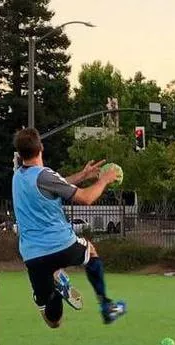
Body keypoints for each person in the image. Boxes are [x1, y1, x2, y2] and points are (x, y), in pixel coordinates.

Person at [11, 127, 127, 328]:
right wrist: (103, 180)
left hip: (32, 256)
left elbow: (54, 185)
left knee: (53, 321)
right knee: (90, 252)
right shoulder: (46, 175)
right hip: (62, 246)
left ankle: (54, 288)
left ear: (20, 154)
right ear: (41, 147)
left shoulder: (18, 176)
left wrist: (82, 176)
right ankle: (106, 307)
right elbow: (87, 198)